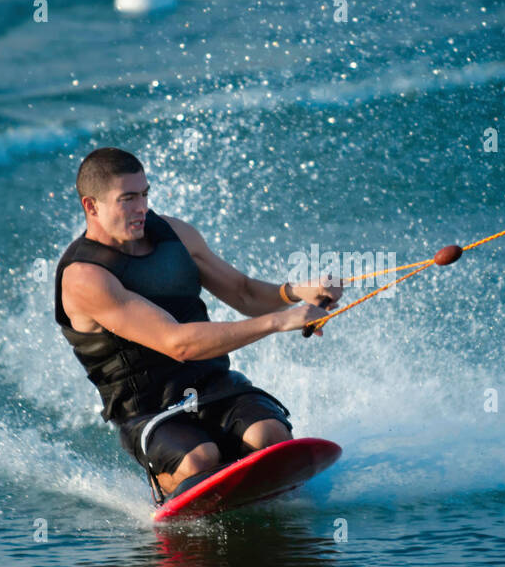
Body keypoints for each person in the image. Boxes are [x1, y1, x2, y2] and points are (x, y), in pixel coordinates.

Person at [53, 147, 343, 504]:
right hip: (148, 410)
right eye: (127, 199)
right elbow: (178, 343)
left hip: (213, 386)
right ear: (91, 206)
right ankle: (168, 484)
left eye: (144, 194)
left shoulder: (174, 234)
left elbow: (244, 292)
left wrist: (297, 292)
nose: (142, 207)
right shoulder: (85, 277)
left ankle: (235, 468)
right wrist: (279, 321)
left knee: (271, 436)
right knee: (199, 460)